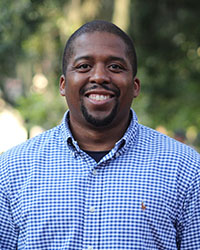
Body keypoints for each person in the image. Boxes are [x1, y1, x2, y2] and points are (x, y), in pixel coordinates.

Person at [0, 20, 199, 250]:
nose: (99, 77)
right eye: (84, 66)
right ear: (63, 84)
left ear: (135, 85)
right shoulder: (11, 170)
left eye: (115, 67)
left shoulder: (186, 169)